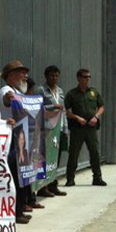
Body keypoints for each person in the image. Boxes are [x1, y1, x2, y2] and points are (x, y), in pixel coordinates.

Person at [0, 60, 34, 224]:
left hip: (18, 137)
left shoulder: (16, 90)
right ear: (11, 75)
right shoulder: (7, 90)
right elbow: (6, 99)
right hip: (10, 139)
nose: (24, 75)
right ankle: (15, 212)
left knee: (19, 178)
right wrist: (10, 98)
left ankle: (19, 209)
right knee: (14, 176)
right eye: (20, 72)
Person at [65, 68, 107, 186]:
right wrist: (77, 117)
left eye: (89, 77)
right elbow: (66, 110)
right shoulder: (72, 94)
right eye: (84, 77)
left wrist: (96, 117)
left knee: (94, 152)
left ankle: (97, 178)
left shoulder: (93, 92)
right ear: (78, 78)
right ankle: (70, 178)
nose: (87, 79)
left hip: (91, 127)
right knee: (74, 153)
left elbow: (102, 106)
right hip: (77, 128)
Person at [37, 65, 67, 196]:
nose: (54, 78)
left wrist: (65, 128)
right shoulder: (41, 90)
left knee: (56, 158)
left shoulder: (60, 91)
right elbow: (38, 107)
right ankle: (43, 187)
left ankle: (53, 184)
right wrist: (52, 106)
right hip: (47, 128)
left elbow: (63, 110)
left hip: (59, 128)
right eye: (51, 75)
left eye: (56, 75)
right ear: (46, 76)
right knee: (46, 158)